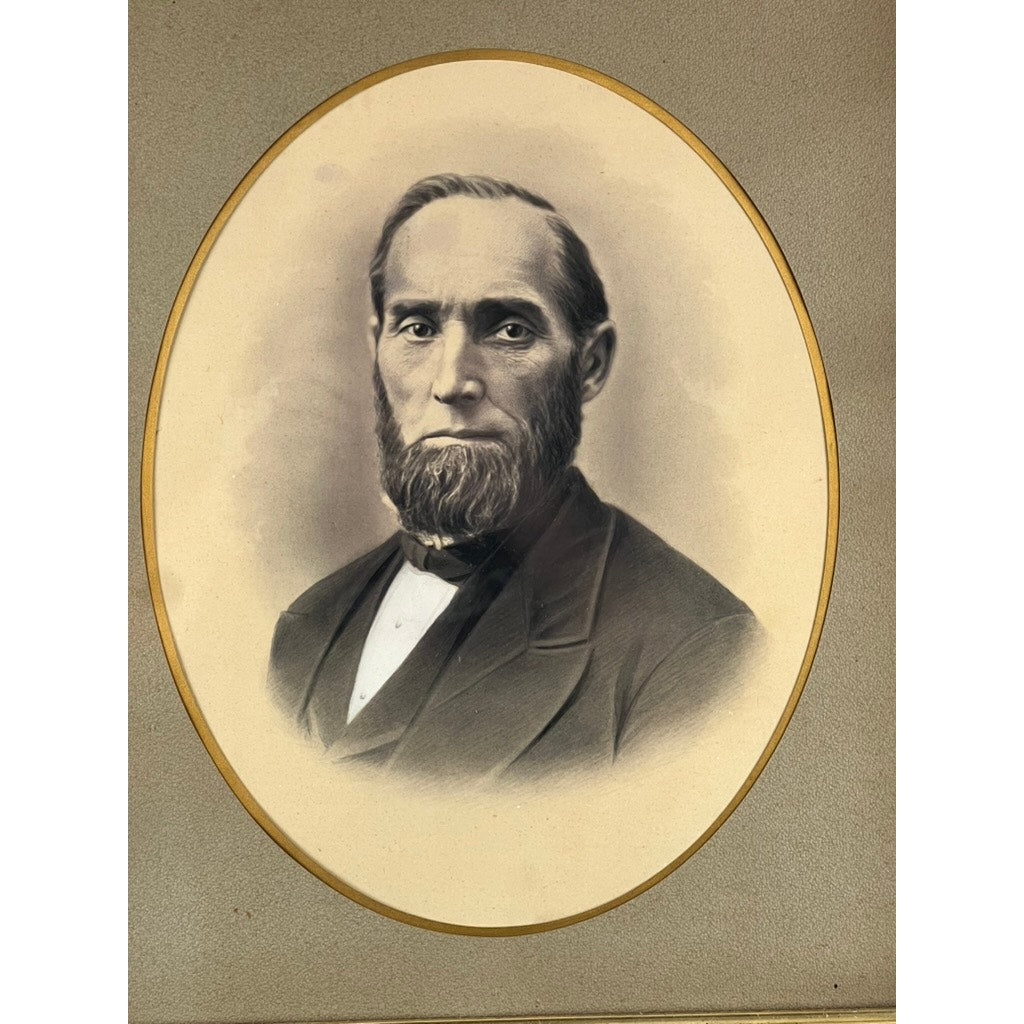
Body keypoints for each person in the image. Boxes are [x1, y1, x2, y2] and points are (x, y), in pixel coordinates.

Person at [268, 173, 760, 784]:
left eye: (509, 330)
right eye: (418, 328)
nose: (452, 381)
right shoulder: (305, 628)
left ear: (590, 364)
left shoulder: (696, 648)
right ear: (378, 350)